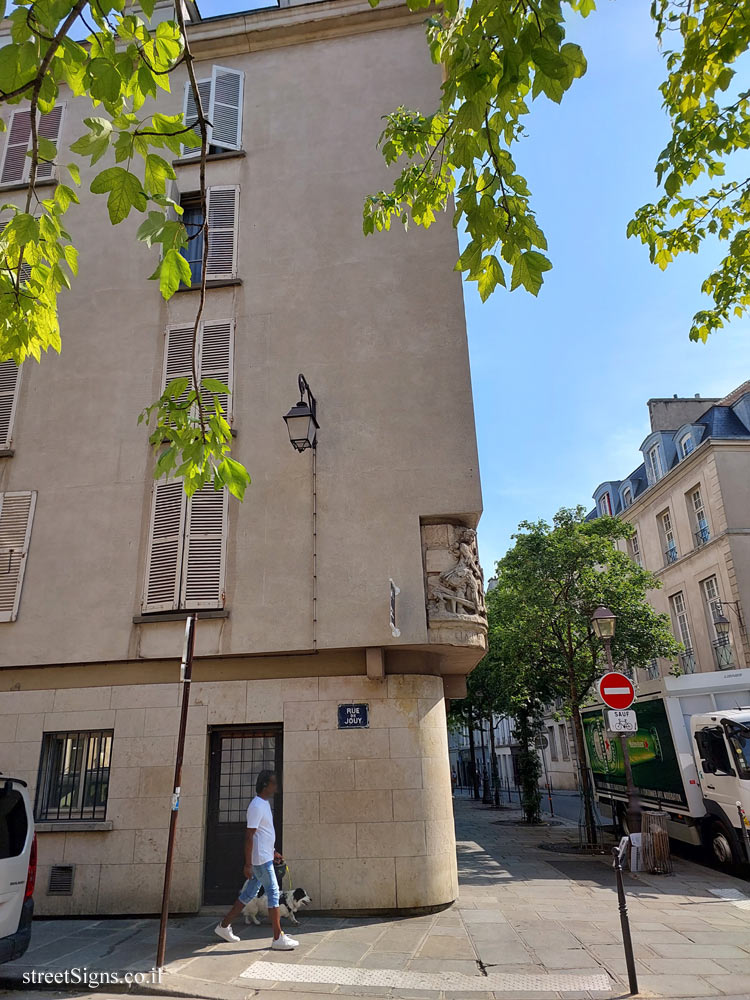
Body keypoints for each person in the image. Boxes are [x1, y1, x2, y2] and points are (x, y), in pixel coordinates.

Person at [214, 769, 298, 950]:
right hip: (260, 860)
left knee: (248, 895)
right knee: (274, 893)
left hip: (265, 856)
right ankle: (278, 937)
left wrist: (273, 851)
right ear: (265, 785)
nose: (277, 786)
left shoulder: (264, 804)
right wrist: (248, 864)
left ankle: (223, 926)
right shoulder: (257, 806)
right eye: (274, 783)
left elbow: (263, 834)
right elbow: (249, 836)